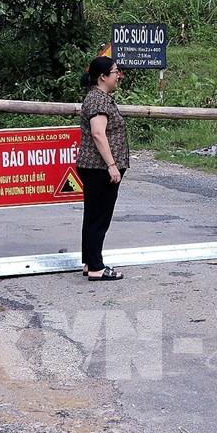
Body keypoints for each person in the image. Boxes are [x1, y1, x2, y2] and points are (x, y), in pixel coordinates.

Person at [77, 56, 130, 281]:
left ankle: (90, 263)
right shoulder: (98, 100)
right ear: (102, 77)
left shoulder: (98, 98)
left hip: (96, 168)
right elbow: (98, 133)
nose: (119, 76)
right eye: (115, 72)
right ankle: (96, 267)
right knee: (99, 218)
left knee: (93, 217)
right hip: (99, 168)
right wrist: (112, 165)